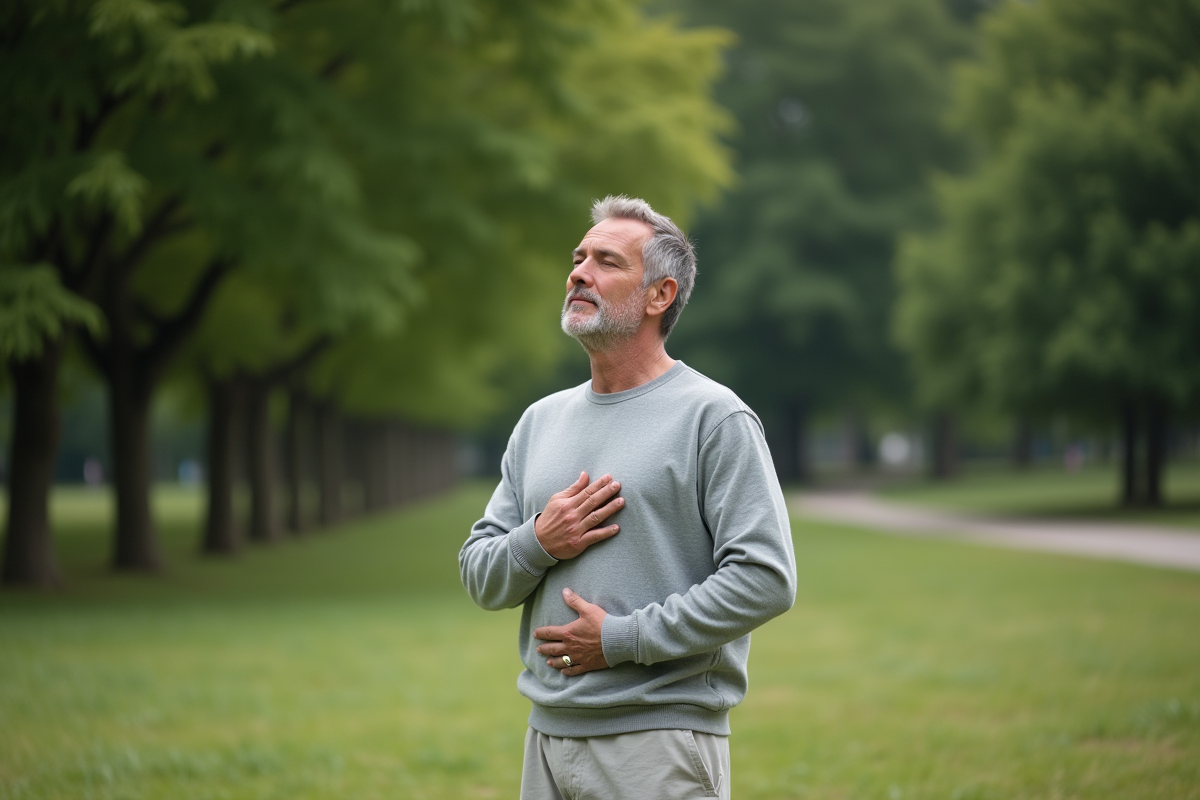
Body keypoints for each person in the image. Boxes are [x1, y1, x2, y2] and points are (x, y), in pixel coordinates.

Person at [459, 196, 796, 800]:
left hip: (658, 744)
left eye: (606, 261)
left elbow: (765, 578)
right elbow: (480, 576)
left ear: (659, 295)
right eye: (578, 258)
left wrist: (622, 639)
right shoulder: (539, 421)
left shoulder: (713, 418)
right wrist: (539, 540)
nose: (578, 274)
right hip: (546, 739)